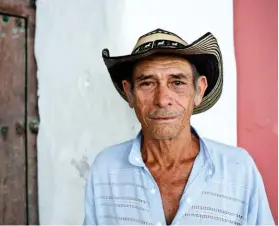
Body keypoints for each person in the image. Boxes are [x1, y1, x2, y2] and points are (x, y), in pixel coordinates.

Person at [83, 28, 274, 225]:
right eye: (147, 83)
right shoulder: (105, 169)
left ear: (199, 90)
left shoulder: (238, 169)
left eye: (177, 82)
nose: (163, 99)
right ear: (129, 92)